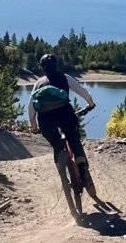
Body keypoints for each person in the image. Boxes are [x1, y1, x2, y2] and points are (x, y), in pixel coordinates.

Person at [28, 53, 96, 187]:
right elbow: (83, 92)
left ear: (42, 68)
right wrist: (90, 104)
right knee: (74, 140)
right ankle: (82, 168)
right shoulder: (65, 78)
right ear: (56, 65)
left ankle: (63, 176)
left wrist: (34, 127)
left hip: (46, 120)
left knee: (57, 145)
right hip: (66, 114)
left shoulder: (38, 84)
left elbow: (31, 110)